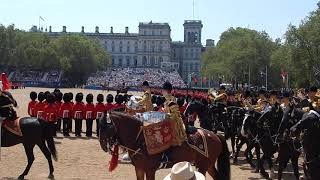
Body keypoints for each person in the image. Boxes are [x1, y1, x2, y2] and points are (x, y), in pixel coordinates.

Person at [162, 81, 187, 146]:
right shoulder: (167, 100)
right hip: (169, 122)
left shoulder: (171, 100)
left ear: (166, 91)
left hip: (174, 124)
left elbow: (176, 114)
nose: (162, 92)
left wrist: (166, 116)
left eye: (163, 90)